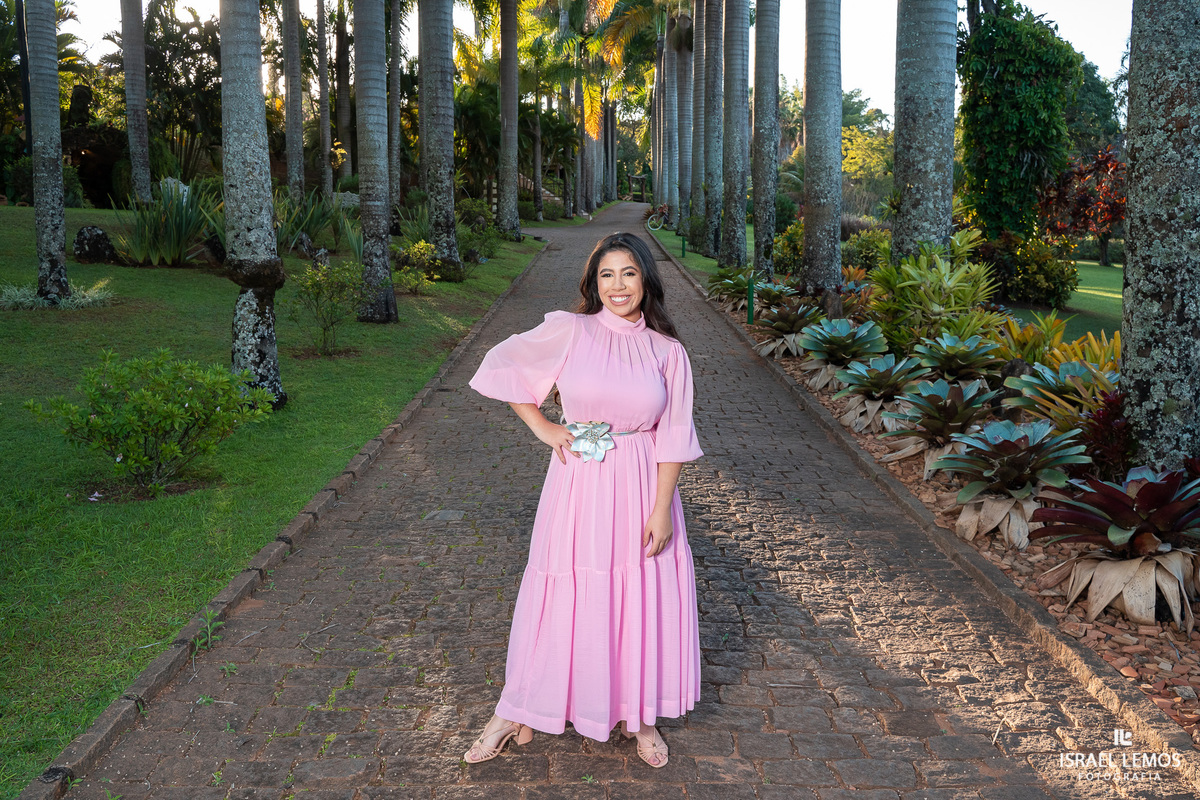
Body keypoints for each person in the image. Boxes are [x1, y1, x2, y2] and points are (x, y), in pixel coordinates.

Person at [464, 231, 704, 769]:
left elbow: (675, 436)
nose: (618, 286)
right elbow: (503, 366)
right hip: (580, 484)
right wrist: (544, 427)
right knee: (565, 591)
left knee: (639, 594)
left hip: (644, 484)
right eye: (606, 275)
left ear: (646, 280)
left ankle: (639, 715)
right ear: (594, 283)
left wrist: (662, 507)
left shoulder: (669, 352)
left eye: (629, 273)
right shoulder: (571, 330)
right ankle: (516, 709)